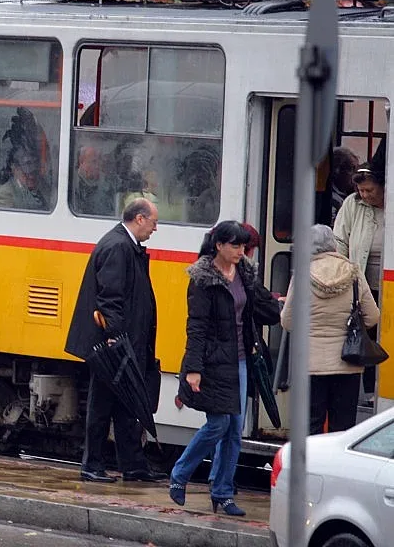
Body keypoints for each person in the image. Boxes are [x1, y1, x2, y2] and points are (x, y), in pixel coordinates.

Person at [170, 221, 280, 517]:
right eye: (235, 246)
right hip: (212, 363)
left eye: (244, 246)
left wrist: (279, 304)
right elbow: (196, 327)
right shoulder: (203, 279)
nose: (241, 251)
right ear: (218, 245)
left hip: (241, 360)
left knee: (234, 430)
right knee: (218, 424)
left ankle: (223, 493)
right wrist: (193, 369)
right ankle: (179, 474)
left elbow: (262, 308)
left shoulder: (245, 273)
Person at [65, 198, 165, 483]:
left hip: (123, 343)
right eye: (154, 222)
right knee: (103, 405)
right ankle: (92, 465)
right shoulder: (119, 247)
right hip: (113, 346)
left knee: (125, 405)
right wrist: (115, 339)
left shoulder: (123, 245)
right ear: (140, 219)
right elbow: (110, 298)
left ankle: (132, 465)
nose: (155, 229)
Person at [281, 225, 379, 434]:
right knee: (342, 428)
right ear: (333, 245)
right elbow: (373, 316)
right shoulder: (354, 272)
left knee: (311, 425)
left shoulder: (302, 275)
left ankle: (309, 466)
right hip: (348, 363)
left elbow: (288, 321)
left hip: (311, 364)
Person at [333, 163, 384, 402]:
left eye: (370, 190)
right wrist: (343, 272)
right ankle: (371, 391)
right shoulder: (352, 204)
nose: (365, 195)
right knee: (366, 334)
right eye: (361, 190)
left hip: (387, 281)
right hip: (361, 281)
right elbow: (340, 240)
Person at [0, 144, 48, 211]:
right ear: (14, 168)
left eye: (35, 162)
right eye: (27, 164)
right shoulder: (4, 193)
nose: (32, 169)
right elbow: (5, 220)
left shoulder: (43, 185)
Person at [73, 145, 113, 214]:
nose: (97, 166)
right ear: (81, 161)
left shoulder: (105, 185)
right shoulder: (73, 186)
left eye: (99, 162)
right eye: (93, 162)